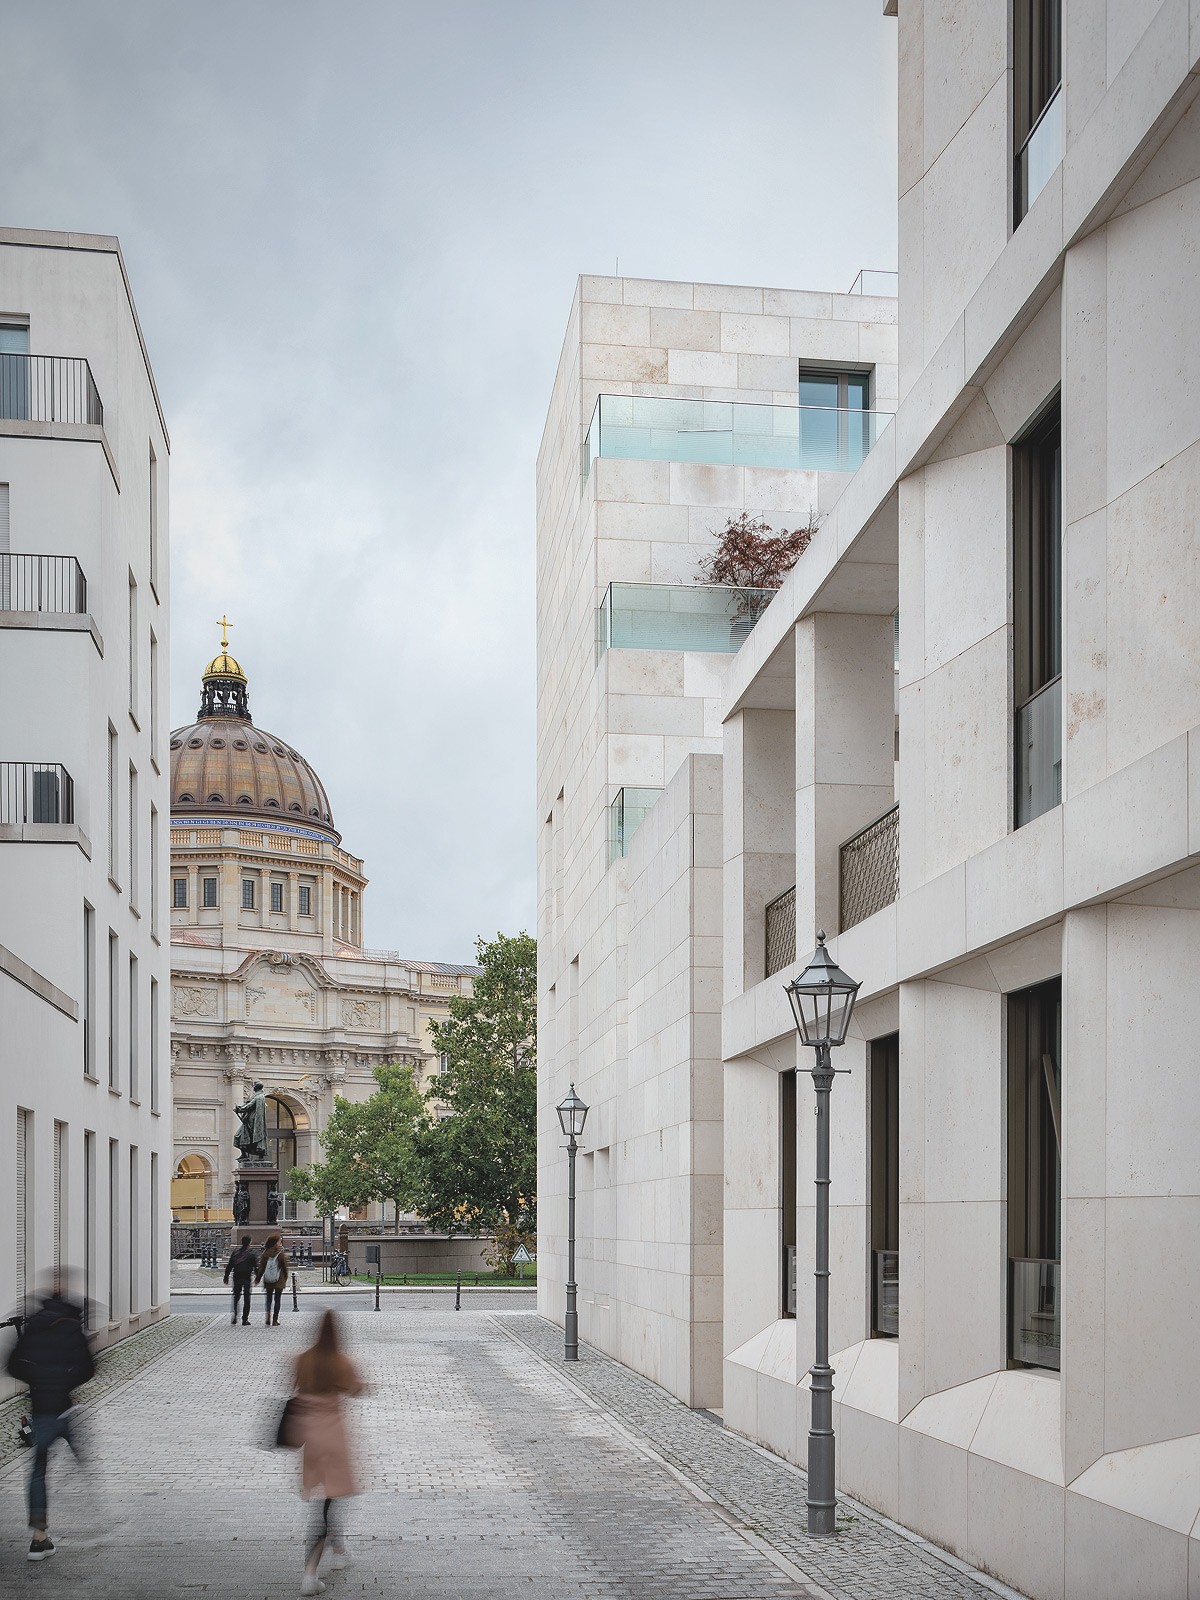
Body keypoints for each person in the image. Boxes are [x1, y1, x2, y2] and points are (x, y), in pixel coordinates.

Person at [5, 1275, 95, 1561]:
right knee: (83, 1461)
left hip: (41, 1408)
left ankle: (38, 1536)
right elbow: (89, 1368)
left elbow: (13, 1365)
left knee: (38, 1471)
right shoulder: (71, 1325)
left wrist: (37, 1380)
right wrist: (64, 1381)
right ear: (66, 1294)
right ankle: (94, 1514)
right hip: (65, 1409)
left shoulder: (32, 1325)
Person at [292, 1311, 364, 1594]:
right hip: (333, 1437)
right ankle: (310, 1574)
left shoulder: (302, 1359)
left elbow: (294, 1386)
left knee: (328, 1499)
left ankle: (339, 1549)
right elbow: (356, 1389)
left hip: (311, 1437)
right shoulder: (340, 1361)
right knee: (329, 1503)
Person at [255, 1233, 290, 1325]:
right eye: (279, 1242)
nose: (280, 1244)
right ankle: (275, 1320)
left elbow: (261, 1268)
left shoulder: (265, 1253)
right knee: (277, 1299)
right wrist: (286, 1278)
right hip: (279, 1280)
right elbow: (284, 1268)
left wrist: (258, 1278)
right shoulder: (280, 1254)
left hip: (268, 1279)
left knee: (269, 1299)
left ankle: (268, 1315)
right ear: (275, 1243)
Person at [223, 1234, 257, 1326]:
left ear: (241, 1242)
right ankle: (244, 1319)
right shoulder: (251, 1253)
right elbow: (255, 1267)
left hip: (237, 1277)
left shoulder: (235, 1252)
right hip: (246, 1277)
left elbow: (230, 1265)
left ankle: (235, 1315)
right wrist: (257, 1278)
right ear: (250, 1242)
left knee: (236, 1297)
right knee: (247, 1299)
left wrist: (226, 1276)